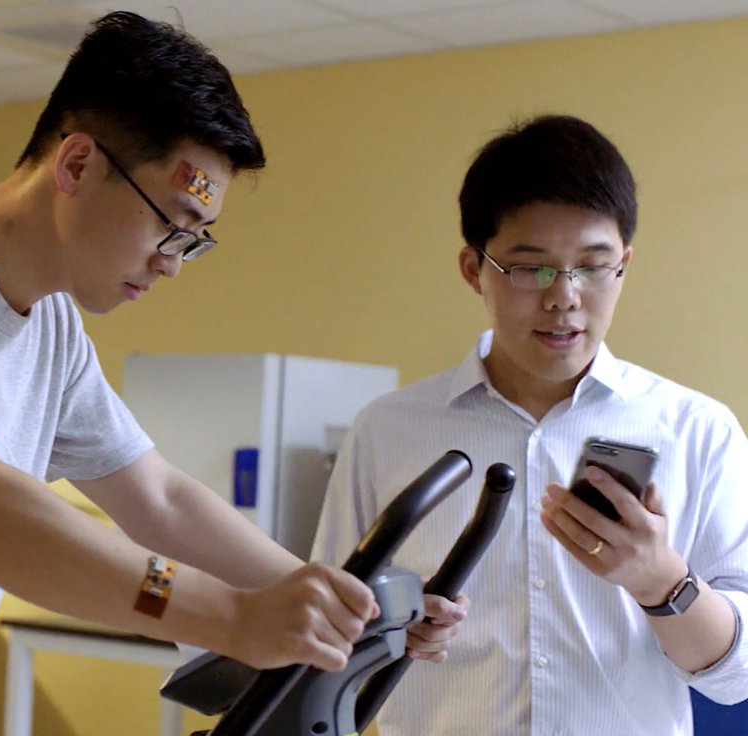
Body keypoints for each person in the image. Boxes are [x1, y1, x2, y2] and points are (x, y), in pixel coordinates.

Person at [0, 12, 378, 736]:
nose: (172, 261)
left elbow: (160, 499)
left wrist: (338, 606)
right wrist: (230, 615)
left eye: (195, 242)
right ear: (76, 165)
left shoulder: (51, 327)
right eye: (170, 224)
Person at [312, 114, 748, 735]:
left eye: (594, 266)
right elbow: (323, 637)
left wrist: (661, 581)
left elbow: (738, 679)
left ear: (624, 264)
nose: (564, 296)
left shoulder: (698, 430)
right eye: (531, 267)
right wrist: (388, 631)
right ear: (474, 269)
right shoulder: (388, 430)